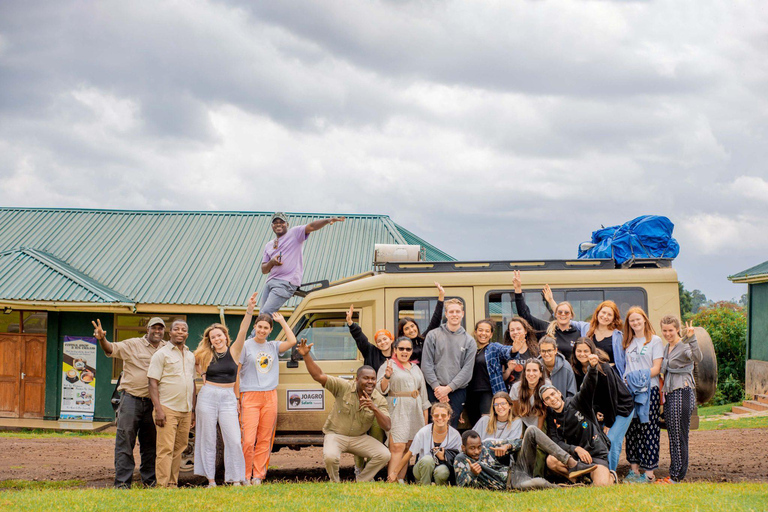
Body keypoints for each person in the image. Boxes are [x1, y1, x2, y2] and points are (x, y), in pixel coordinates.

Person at [296, 339, 391, 482]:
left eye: (373, 379)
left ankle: (362, 480)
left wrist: (374, 408)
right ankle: (336, 483)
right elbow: (318, 376)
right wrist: (306, 356)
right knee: (330, 457)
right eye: (366, 378)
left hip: (359, 438)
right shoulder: (343, 387)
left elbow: (387, 425)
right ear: (357, 379)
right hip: (336, 435)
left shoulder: (378, 399)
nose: (370, 382)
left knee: (384, 454)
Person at [91, 317, 167, 488]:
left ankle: (149, 482)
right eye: (154, 328)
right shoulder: (133, 345)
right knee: (125, 443)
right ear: (147, 329)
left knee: (151, 445)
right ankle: (123, 484)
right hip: (131, 400)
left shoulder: (166, 348)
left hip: (154, 404)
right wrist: (102, 339)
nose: (157, 331)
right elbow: (111, 349)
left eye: (160, 329)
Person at [192, 293, 256, 487]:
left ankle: (236, 478)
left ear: (225, 336)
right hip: (208, 396)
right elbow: (194, 362)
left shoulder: (235, 350)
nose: (217, 339)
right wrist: (203, 375)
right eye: (213, 337)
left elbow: (244, 330)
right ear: (210, 340)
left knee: (234, 439)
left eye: (219, 335)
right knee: (208, 438)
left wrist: (249, 310)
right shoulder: (204, 354)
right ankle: (211, 480)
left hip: (228, 397)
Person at [239, 311, 298, 485]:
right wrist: (236, 398)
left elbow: (292, 341)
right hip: (249, 394)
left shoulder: (273, 346)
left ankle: (258, 475)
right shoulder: (245, 346)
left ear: (270, 330)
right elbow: (236, 371)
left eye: (266, 328)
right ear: (254, 327)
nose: (262, 330)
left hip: (270, 395)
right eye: (260, 327)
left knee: (265, 438)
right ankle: (244, 475)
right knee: (248, 439)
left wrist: (282, 322)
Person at [541, 354, 615, 487]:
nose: (552, 399)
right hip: (576, 458)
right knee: (551, 461)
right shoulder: (551, 416)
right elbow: (556, 441)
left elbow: (587, 387)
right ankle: (580, 480)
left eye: (553, 394)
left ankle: (611, 476)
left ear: (559, 393)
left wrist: (592, 368)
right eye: (547, 398)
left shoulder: (577, 402)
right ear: (546, 403)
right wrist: (575, 449)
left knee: (602, 485)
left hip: (595, 453)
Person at [454, 428, 596, 491]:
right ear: (463, 447)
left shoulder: (487, 445)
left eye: (478, 447)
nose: (477, 451)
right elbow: (463, 488)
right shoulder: (461, 459)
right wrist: (473, 474)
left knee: (532, 431)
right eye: (472, 448)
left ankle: (572, 463)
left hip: (518, 468)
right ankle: (566, 489)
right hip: (510, 483)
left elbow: (520, 442)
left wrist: (508, 447)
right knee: (539, 482)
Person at [259, 212, 346, 314]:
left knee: (265, 313)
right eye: (275, 222)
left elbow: (312, 226)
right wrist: (272, 262)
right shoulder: (269, 245)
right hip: (270, 282)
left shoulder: (294, 233)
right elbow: (264, 270)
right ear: (272, 226)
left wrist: (327, 220)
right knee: (262, 317)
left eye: (281, 222)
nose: (278, 224)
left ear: (287, 224)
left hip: (285, 282)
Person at [570, 338, 634, 472]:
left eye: (586, 351)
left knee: (611, 440)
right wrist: (597, 410)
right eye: (579, 351)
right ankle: (599, 472)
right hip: (604, 410)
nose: (582, 354)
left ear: (592, 351)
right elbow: (587, 394)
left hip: (621, 408)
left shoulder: (602, 368)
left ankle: (610, 474)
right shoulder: (577, 369)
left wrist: (609, 423)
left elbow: (611, 397)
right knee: (599, 441)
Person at [147, 320, 196, 488]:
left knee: (179, 449)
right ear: (170, 333)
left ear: (187, 334)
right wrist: (158, 409)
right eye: (176, 329)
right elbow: (152, 382)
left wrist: (193, 410)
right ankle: (161, 486)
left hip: (186, 409)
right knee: (165, 450)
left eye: (184, 329)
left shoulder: (190, 356)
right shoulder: (161, 354)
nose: (180, 332)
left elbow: (192, 382)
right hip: (167, 408)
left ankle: (172, 483)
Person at [376, 337, 431, 483]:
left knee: (408, 448)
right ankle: (391, 480)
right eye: (401, 348)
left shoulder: (415, 368)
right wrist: (387, 375)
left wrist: (425, 422)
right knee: (397, 446)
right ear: (395, 350)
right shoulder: (388, 365)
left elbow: (424, 396)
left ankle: (400, 480)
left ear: (412, 351)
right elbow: (380, 389)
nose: (405, 352)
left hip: (415, 410)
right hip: (397, 408)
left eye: (408, 349)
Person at [622, 307, 664, 483]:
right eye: (632, 320)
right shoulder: (627, 342)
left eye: (638, 319)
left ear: (645, 320)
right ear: (629, 323)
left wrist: (636, 378)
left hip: (649, 390)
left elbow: (656, 368)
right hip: (630, 392)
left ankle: (649, 474)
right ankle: (634, 471)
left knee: (649, 429)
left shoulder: (655, 341)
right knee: (631, 430)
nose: (635, 323)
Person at [659, 317, 702, 484]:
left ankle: (677, 476)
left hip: (682, 391)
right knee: (673, 435)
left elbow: (697, 357)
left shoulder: (685, 346)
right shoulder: (666, 348)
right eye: (665, 330)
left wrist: (692, 338)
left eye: (671, 330)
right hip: (670, 392)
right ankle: (674, 473)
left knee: (679, 436)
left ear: (677, 329)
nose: (668, 333)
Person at [421, 298, 477, 428]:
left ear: (462, 313)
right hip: (434, 389)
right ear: (446, 314)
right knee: (433, 426)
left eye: (457, 311)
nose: (454, 314)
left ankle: (449, 449)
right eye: (451, 311)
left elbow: (467, 371)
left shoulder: (469, 341)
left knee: (451, 427)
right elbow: (426, 364)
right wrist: (438, 388)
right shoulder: (433, 335)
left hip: (456, 392)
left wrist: (448, 389)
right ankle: (433, 449)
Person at [512, 270, 580, 359]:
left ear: (571, 316)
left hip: (569, 372)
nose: (563, 314)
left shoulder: (577, 333)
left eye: (566, 312)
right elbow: (525, 315)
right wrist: (518, 290)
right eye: (560, 312)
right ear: (555, 314)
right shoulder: (547, 328)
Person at [390, 403, 461, 485]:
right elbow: (409, 453)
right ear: (432, 417)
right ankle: (425, 487)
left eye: (444, 415)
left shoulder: (455, 435)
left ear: (449, 416)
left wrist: (444, 457)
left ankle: (440, 490)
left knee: (442, 471)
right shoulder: (423, 432)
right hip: (422, 468)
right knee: (427, 460)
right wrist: (394, 473)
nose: (440, 418)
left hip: (442, 467)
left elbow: (458, 457)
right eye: (436, 415)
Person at [465, 319, 513, 427]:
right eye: (480, 330)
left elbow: (506, 351)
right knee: (475, 426)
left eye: (487, 331)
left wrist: (514, 349)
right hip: (470, 394)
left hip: (487, 392)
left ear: (491, 334)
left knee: (486, 424)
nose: (483, 334)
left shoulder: (493, 348)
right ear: (475, 332)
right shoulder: (471, 350)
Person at [569, 300, 626, 376]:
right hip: (589, 375)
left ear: (614, 318)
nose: (605, 316)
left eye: (609, 315)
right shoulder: (586, 328)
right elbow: (564, 319)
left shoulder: (618, 336)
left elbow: (623, 360)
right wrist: (550, 300)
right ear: (598, 313)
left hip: (609, 376)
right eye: (603, 312)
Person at [397, 282, 446, 364]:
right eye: (407, 328)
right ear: (403, 333)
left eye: (412, 326)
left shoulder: (423, 339)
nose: (411, 330)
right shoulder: (402, 347)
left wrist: (441, 297)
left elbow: (435, 321)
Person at [346, 304, 393, 371]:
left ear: (391, 340)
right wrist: (350, 323)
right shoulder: (371, 352)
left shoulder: (398, 353)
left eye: (385, 339)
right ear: (377, 345)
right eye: (379, 341)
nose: (383, 342)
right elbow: (360, 338)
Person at [500, 316, 539, 389]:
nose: (515, 332)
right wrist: (509, 369)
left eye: (518, 329)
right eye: (512, 330)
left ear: (525, 331)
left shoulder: (536, 351)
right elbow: (501, 378)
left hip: (532, 391)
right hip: (512, 392)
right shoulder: (503, 351)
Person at [509, 359, 549, 430]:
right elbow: (516, 412)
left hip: (541, 420)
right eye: (528, 370)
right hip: (522, 419)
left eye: (535, 370)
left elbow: (543, 412)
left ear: (540, 374)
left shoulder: (546, 385)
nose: (531, 374)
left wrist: (538, 432)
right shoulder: (516, 387)